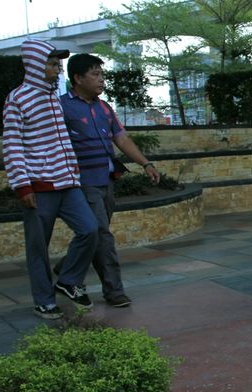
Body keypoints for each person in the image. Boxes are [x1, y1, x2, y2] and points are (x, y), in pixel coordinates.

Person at [2, 39, 98, 320]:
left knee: (89, 230)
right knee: (38, 248)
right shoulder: (17, 99)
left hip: (67, 183)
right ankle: (43, 300)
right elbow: (12, 144)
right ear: (35, 65)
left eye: (58, 65)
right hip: (38, 186)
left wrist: (73, 172)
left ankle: (68, 281)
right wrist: (22, 184)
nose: (58, 70)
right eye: (53, 64)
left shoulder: (53, 98)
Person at [59, 53, 160, 308]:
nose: (101, 80)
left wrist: (145, 163)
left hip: (106, 180)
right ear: (77, 78)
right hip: (82, 182)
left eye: (101, 74)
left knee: (94, 234)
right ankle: (114, 291)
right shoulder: (61, 107)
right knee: (102, 235)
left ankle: (66, 269)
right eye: (95, 74)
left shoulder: (104, 108)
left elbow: (121, 138)